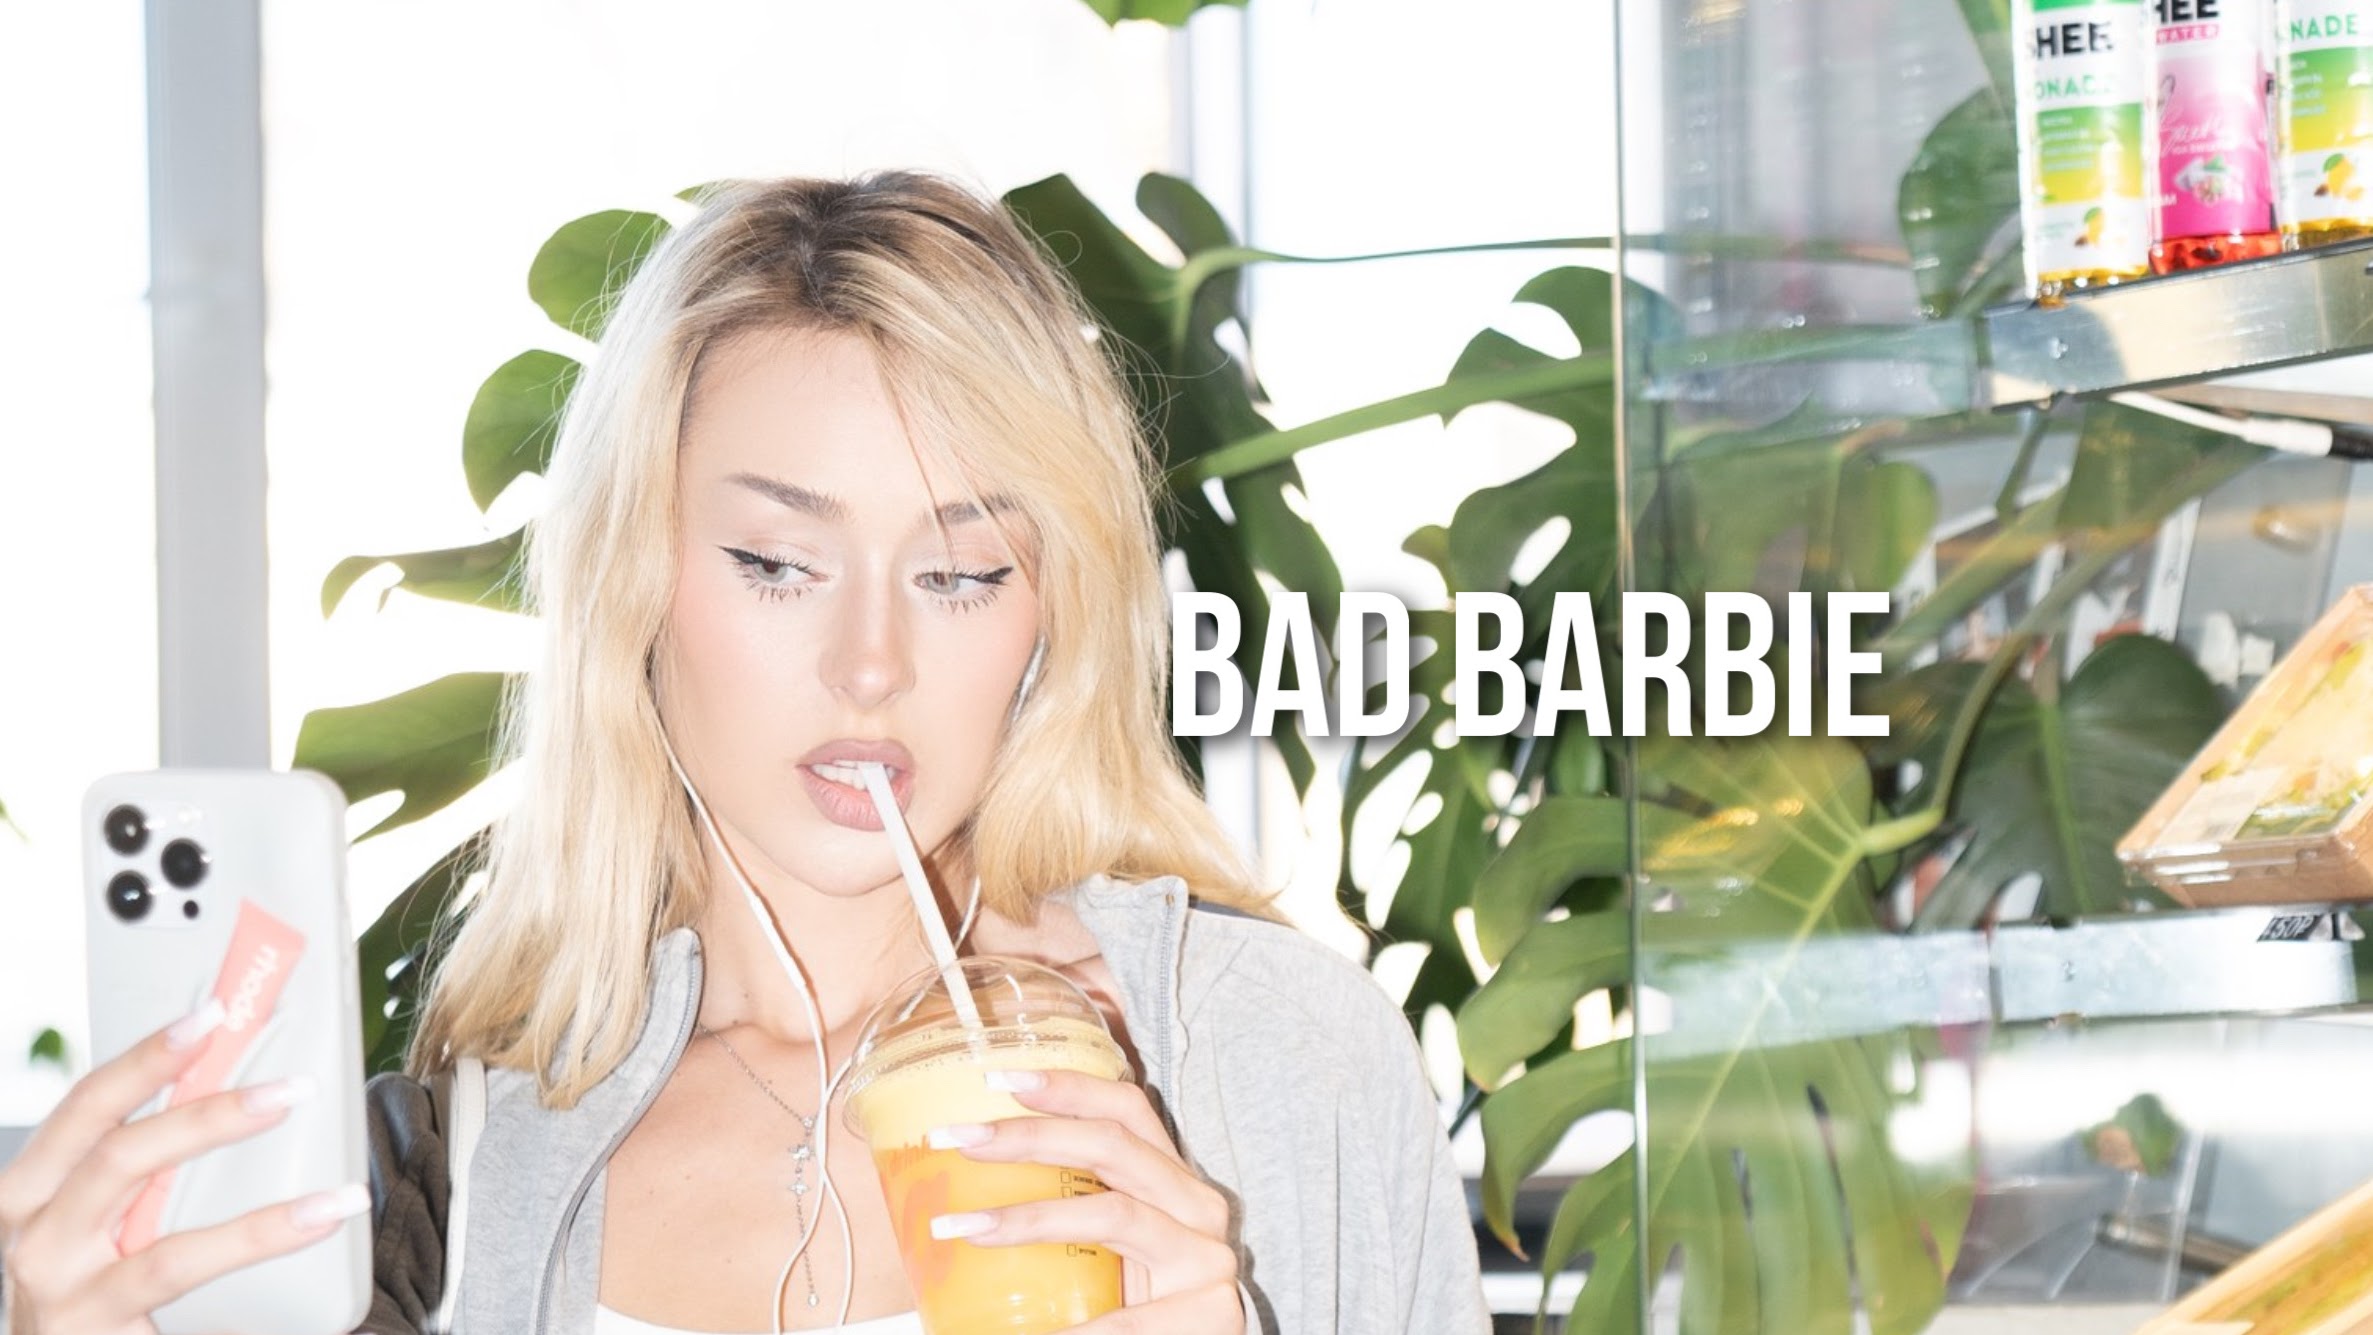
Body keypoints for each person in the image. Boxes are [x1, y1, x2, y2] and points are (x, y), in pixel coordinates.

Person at [0, 172, 1491, 1334]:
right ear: (634, 581)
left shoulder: (1274, 1063)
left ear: (1050, 610)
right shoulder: (464, 1167)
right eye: (778, 564)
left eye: (961, 573)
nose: (869, 663)